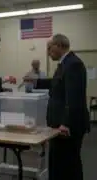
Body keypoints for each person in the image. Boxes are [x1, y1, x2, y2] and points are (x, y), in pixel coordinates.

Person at [24, 34, 90, 180]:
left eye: (49, 48)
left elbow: (74, 97)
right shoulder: (65, 64)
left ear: (60, 45)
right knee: (59, 164)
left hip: (67, 127)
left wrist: (66, 123)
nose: (47, 52)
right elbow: (56, 83)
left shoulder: (73, 64)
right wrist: (35, 81)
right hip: (58, 126)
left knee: (68, 166)